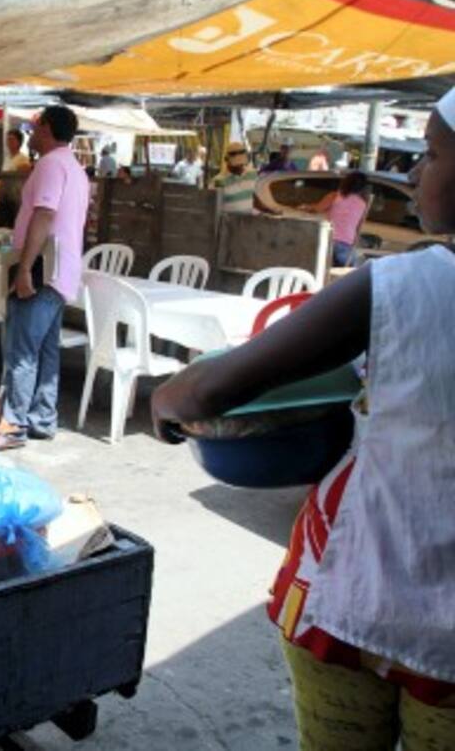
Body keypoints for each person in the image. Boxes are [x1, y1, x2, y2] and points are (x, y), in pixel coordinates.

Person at [151, 87, 455, 751]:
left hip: (359, 588)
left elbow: (212, 391)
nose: (410, 174)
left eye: (429, 154)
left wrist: (165, 401)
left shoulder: (402, 286)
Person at [0, 106, 89, 446]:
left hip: (42, 269)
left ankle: (12, 422)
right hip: (61, 271)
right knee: (46, 350)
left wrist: (23, 269)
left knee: (22, 350)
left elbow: (44, 215)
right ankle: (43, 417)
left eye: (34, 127)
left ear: (46, 128)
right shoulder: (75, 168)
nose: (30, 132)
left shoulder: (50, 165)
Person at [300, 171, 369, 267]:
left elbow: (317, 209)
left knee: (323, 272)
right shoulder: (363, 204)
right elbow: (358, 227)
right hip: (347, 244)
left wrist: (305, 207)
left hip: (330, 240)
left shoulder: (334, 196)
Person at [211, 141, 264, 215]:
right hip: (230, 224)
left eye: (241, 164)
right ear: (226, 160)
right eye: (236, 164)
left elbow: (259, 198)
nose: (240, 167)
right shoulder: (218, 181)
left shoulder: (254, 174)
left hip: (254, 222)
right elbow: (214, 207)